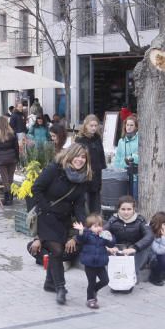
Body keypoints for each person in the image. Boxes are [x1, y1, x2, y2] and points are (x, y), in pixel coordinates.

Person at [31, 143, 91, 304]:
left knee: (60, 251)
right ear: (69, 156)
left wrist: (82, 225)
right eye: (77, 156)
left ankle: (49, 282)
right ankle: (61, 288)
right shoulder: (55, 169)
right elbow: (36, 188)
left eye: (83, 157)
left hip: (63, 219)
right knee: (57, 250)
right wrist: (46, 208)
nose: (80, 160)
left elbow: (78, 205)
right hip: (46, 216)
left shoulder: (82, 178)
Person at [104, 195, 154, 274]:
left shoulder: (140, 220)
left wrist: (135, 248)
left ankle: (135, 271)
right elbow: (101, 233)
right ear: (118, 209)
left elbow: (149, 236)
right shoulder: (113, 220)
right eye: (123, 209)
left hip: (135, 249)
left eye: (129, 209)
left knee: (131, 276)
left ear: (134, 209)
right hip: (118, 249)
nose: (126, 212)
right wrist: (109, 247)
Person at [74, 214, 115, 309]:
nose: (98, 228)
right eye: (95, 226)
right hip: (89, 264)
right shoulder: (87, 235)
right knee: (91, 282)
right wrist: (81, 231)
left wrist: (110, 237)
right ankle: (90, 299)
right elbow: (81, 239)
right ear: (89, 228)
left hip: (100, 263)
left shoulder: (103, 236)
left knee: (105, 280)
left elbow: (111, 244)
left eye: (100, 226)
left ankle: (94, 290)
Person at [76, 114, 106, 214]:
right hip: (85, 172)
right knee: (84, 198)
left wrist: (103, 168)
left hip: (97, 172)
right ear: (86, 125)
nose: (93, 128)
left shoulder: (97, 137)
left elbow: (101, 154)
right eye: (91, 125)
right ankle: (84, 220)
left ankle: (95, 220)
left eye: (95, 125)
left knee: (95, 198)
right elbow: (77, 157)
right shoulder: (80, 139)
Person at [0, 116, 20, 206]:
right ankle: (11, 198)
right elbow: (16, 147)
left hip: (0, 159)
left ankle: (7, 199)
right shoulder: (12, 134)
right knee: (10, 179)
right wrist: (17, 158)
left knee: (5, 179)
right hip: (12, 158)